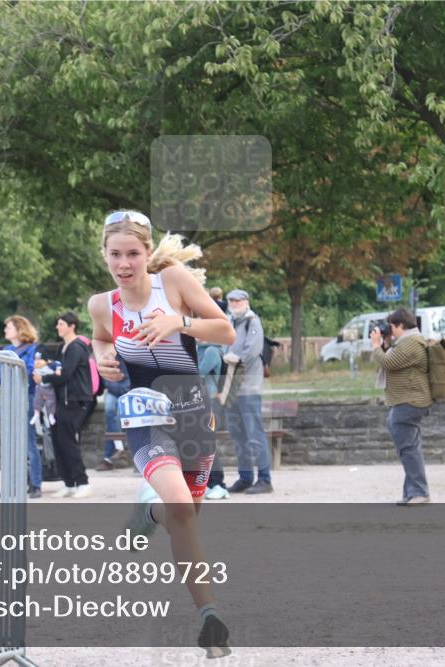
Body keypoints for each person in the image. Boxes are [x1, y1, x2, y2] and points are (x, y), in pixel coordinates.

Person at [87, 210, 236, 658]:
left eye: (133, 253)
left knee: (183, 516)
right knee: (180, 509)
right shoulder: (102, 304)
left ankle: (144, 517)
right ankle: (209, 616)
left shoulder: (173, 282)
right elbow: (99, 338)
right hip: (145, 417)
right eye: (115, 254)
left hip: (193, 414)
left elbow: (226, 331)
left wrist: (179, 323)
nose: (124, 263)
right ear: (105, 256)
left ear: (147, 253)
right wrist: (103, 356)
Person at [370, 307, 432, 506]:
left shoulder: (411, 344)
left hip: (409, 402)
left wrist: (376, 345)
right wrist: (385, 345)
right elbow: (391, 361)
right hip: (406, 401)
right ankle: (412, 492)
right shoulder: (407, 342)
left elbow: (388, 363)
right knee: (409, 448)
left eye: (392, 326)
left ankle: (419, 492)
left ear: (401, 325)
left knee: (408, 449)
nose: (390, 330)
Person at [33, 312, 93, 499]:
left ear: (71, 326)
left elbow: (66, 374)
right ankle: (69, 483)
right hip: (61, 402)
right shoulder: (62, 347)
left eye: (61, 324)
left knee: (69, 442)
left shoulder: (77, 347)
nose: (57, 327)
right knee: (59, 443)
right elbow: (57, 368)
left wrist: (44, 377)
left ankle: (82, 483)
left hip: (75, 401)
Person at [221, 289, 272, 495]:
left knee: (254, 433)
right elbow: (223, 346)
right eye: (231, 300)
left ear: (246, 301)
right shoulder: (229, 321)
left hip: (249, 386)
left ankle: (265, 478)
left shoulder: (253, 321)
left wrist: (236, 358)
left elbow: (253, 350)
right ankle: (245, 477)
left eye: (238, 300)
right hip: (232, 386)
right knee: (237, 433)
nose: (234, 303)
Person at [4, 315, 44, 499]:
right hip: (9, 397)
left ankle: (35, 483)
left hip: (26, 397)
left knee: (29, 442)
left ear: (19, 329)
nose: (6, 330)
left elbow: (28, 372)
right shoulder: (6, 350)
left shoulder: (32, 350)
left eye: (9, 327)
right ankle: (13, 484)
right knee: (10, 443)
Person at [197, 340, 229, 499]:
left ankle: (219, 485)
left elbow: (198, 372)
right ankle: (209, 484)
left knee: (207, 443)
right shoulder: (200, 349)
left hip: (211, 402)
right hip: (201, 402)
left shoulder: (211, 350)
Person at [98, 358, 130, 471]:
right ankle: (120, 447)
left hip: (126, 390)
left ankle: (109, 457)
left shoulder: (126, 351)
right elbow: (104, 372)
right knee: (110, 414)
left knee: (119, 420)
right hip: (112, 390)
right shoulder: (108, 351)